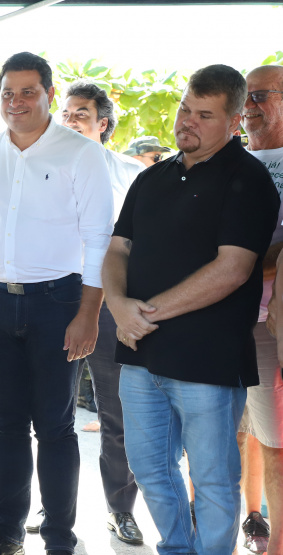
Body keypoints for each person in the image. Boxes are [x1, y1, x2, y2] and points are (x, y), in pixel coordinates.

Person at [103, 64, 279, 555]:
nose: (188, 122)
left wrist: (144, 313)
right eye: (185, 108)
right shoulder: (151, 177)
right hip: (141, 355)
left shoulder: (249, 179)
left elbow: (233, 269)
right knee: (149, 467)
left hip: (209, 359)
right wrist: (118, 305)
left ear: (234, 121)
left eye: (204, 114)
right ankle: (179, 549)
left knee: (214, 478)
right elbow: (118, 250)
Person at [0, 52, 113, 555]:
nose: (16, 102)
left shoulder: (80, 153)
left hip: (59, 303)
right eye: (8, 92)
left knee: (54, 425)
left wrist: (89, 313)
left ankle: (58, 538)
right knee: (5, 423)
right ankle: (7, 530)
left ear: (49, 94)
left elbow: (99, 239)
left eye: (28, 91)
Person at [57, 79, 145, 545]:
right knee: (50, 413)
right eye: (66, 113)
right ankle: (50, 506)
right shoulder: (40, 166)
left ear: (103, 123)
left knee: (117, 414)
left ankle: (120, 509)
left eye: (81, 114)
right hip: (53, 299)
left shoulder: (132, 173)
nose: (70, 121)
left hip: (110, 305)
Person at [242, 64, 283, 555]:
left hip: (273, 324)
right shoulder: (228, 160)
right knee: (232, 437)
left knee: (275, 443)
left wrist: (235, 263)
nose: (249, 106)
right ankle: (252, 522)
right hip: (221, 320)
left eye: (261, 96)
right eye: (245, 97)